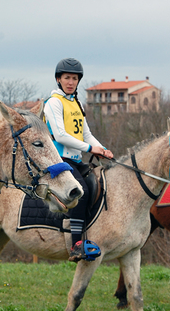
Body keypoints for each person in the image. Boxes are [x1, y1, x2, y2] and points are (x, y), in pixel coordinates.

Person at [43, 58, 114, 262]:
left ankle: (91, 233)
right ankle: (76, 245)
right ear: (58, 79)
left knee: (96, 185)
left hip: (74, 159)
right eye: (67, 78)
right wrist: (91, 148)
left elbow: (86, 134)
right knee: (80, 191)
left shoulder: (77, 102)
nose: (71, 82)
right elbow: (61, 136)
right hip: (57, 159)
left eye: (74, 78)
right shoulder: (53, 103)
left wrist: (102, 149)